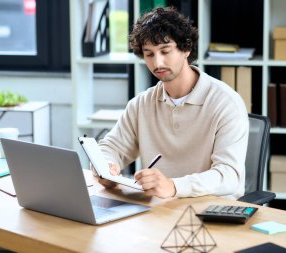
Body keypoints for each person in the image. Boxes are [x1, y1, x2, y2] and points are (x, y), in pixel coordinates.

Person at [96, 6, 249, 200]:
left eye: (165, 51)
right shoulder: (142, 104)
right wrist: (104, 166)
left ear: (186, 49)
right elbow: (111, 147)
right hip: (159, 210)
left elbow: (229, 176)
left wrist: (174, 186)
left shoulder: (226, 103)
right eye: (149, 54)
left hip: (212, 213)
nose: (157, 63)